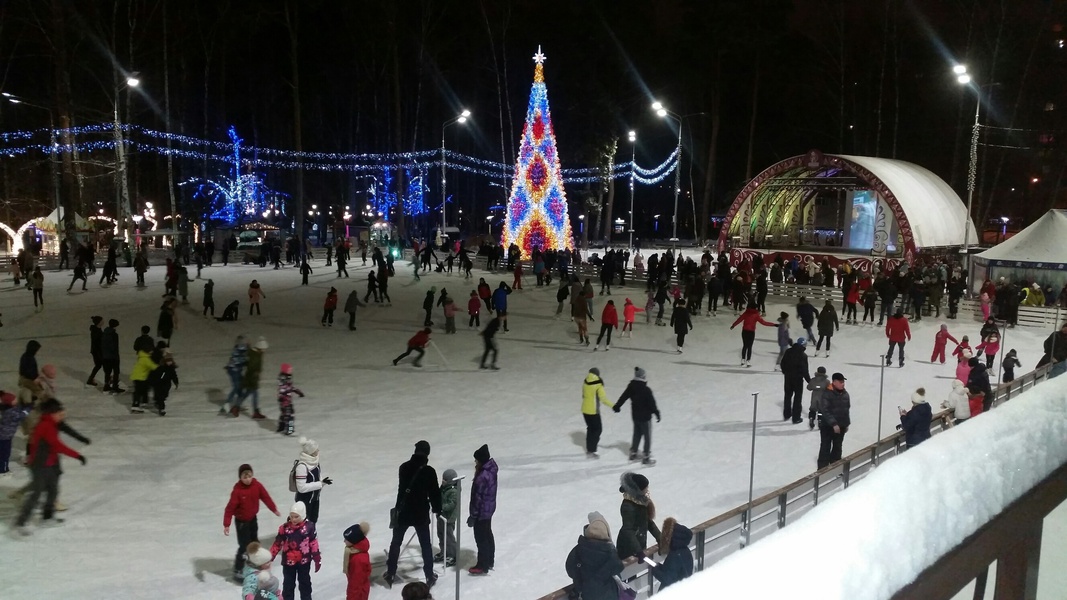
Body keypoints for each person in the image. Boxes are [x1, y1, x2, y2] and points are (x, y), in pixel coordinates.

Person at [14, 398, 88, 536]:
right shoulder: (46, 426)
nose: (63, 414)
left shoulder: (53, 423)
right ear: (53, 413)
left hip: (51, 464)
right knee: (36, 494)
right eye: (60, 412)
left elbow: (63, 434)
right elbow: (57, 445)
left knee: (53, 491)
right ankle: (21, 523)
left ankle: (47, 517)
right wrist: (77, 455)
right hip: (39, 465)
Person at [384, 440, 442, 589]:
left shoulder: (404, 467)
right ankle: (429, 575)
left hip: (403, 512)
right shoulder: (429, 471)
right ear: (427, 453)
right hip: (420, 513)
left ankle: (390, 572)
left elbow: (401, 490)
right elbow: (435, 493)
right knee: (425, 545)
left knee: (396, 542)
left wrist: (398, 508)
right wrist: (437, 509)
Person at [224, 463, 281, 581]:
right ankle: (238, 569)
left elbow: (265, 497)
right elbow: (230, 508)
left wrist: (273, 508)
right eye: (244, 477)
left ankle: (254, 561)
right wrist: (227, 524)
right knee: (244, 546)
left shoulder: (257, 485)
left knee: (255, 542)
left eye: (249, 476)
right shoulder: (237, 491)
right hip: (241, 522)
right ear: (240, 478)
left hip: (252, 519)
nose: (248, 479)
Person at [565, 511, 624, 600]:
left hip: (586, 594)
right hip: (609, 595)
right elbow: (619, 567)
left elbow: (570, 568)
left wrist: (580, 581)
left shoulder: (578, 550)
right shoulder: (610, 552)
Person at [269, 501, 321, 600]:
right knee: (288, 585)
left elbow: (313, 543)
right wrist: (270, 557)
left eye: (296, 517)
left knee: (305, 583)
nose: (293, 519)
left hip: (304, 562)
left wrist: (317, 558)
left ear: (302, 515)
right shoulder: (284, 528)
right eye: (291, 516)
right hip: (288, 562)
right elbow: (278, 543)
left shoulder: (309, 527)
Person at [613, 367, 661, 465]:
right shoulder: (646, 390)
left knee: (637, 434)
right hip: (645, 417)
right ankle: (646, 457)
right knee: (647, 437)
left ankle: (633, 453)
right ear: (643, 376)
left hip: (635, 416)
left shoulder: (631, 386)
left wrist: (617, 406)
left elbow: (624, 396)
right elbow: (652, 404)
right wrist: (656, 413)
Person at [468, 443, 498, 575]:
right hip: (489, 509)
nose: (475, 462)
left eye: (476, 460)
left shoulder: (482, 477)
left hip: (481, 512)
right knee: (487, 534)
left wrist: (473, 516)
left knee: (481, 538)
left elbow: (477, 499)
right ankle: (490, 560)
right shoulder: (491, 470)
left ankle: (482, 565)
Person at [616, 472, 660, 559]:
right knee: (629, 571)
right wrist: (638, 550)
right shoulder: (628, 506)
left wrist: (660, 538)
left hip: (638, 543)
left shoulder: (640, 501)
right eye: (645, 488)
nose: (647, 490)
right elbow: (628, 529)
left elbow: (648, 522)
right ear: (638, 490)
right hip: (627, 547)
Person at [292, 436, 333, 523]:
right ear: (311, 452)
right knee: (304, 523)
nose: (318, 451)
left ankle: (312, 536)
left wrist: (323, 482)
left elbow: (318, 476)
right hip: (304, 501)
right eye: (316, 450)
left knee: (313, 520)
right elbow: (301, 488)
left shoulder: (315, 462)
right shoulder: (302, 467)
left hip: (315, 499)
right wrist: (320, 484)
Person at [816, 372, 851, 469]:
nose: (843, 384)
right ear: (834, 382)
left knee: (837, 447)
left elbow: (846, 410)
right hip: (827, 427)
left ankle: (836, 467)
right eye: (840, 382)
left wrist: (846, 423)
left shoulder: (845, 394)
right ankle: (822, 469)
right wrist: (834, 424)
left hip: (841, 427)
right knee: (825, 447)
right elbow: (825, 410)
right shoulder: (827, 394)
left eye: (843, 382)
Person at [650, 517, 694, 591]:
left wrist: (655, 570)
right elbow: (673, 571)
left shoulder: (675, 555)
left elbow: (668, 579)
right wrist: (660, 567)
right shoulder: (685, 551)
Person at [730, 302, 778, 367]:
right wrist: (774, 325)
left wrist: (733, 325)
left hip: (744, 331)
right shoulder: (756, 315)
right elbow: (764, 323)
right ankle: (748, 361)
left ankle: (743, 360)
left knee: (745, 346)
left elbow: (739, 319)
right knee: (749, 346)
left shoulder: (746, 313)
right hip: (751, 332)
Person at [581, 367, 614, 458]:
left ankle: (589, 450)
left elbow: (583, 395)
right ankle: (592, 450)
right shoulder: (598, 384)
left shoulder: (585, 382)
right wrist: (613, 406)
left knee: (590, 429)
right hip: (593, 411)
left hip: (585, 410)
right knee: (597, 430)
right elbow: (603, 399)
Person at [780, 338, 812, 423]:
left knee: (787, 396)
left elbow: (782, 363)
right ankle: (796, 417)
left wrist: (785, 372)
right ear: (803, 345)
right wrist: (810, 381)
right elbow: (805, 370)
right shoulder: (803, 355)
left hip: (788, 378)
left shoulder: (788, 351)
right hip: (798, 379)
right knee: (797, 398)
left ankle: (787, 414)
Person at [435, 469, 459, 567]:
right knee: (441, 535)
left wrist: (440, 507)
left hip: (449, 519)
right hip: (441, 517)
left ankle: (453, 555)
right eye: (442, 479)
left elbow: (451, 504)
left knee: (449, 537)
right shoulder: (444, 488)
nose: (443, 481)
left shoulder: (453, 491)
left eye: (445, 480)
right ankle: (444, 552)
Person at [343, 522, 371, 600]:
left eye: (346, 539)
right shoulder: (355, 551)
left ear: (354, 541)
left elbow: (355, 584)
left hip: (358, 594)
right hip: (359, 591)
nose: (344, 541)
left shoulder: (357, 560)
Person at [276, 363, 305, 436]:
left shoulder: (287, 377)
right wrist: (283, 398)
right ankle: (290, 429)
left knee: (284, 414)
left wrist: (298, 391)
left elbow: (290, 387)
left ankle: (281, 427)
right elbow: (284, 389)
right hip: (285, 401)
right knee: (290, 415)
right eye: (289, 369)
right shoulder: (283, 379)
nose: (291, 370)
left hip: (286, 400)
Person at [806, 366, 829, 430]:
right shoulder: (826, 381)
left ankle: (811, 418)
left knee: (812, 409)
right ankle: (820, 420)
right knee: (821, 410)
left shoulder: (813, 380)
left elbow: (808, 388)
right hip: (822, 397)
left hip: (814, 396)